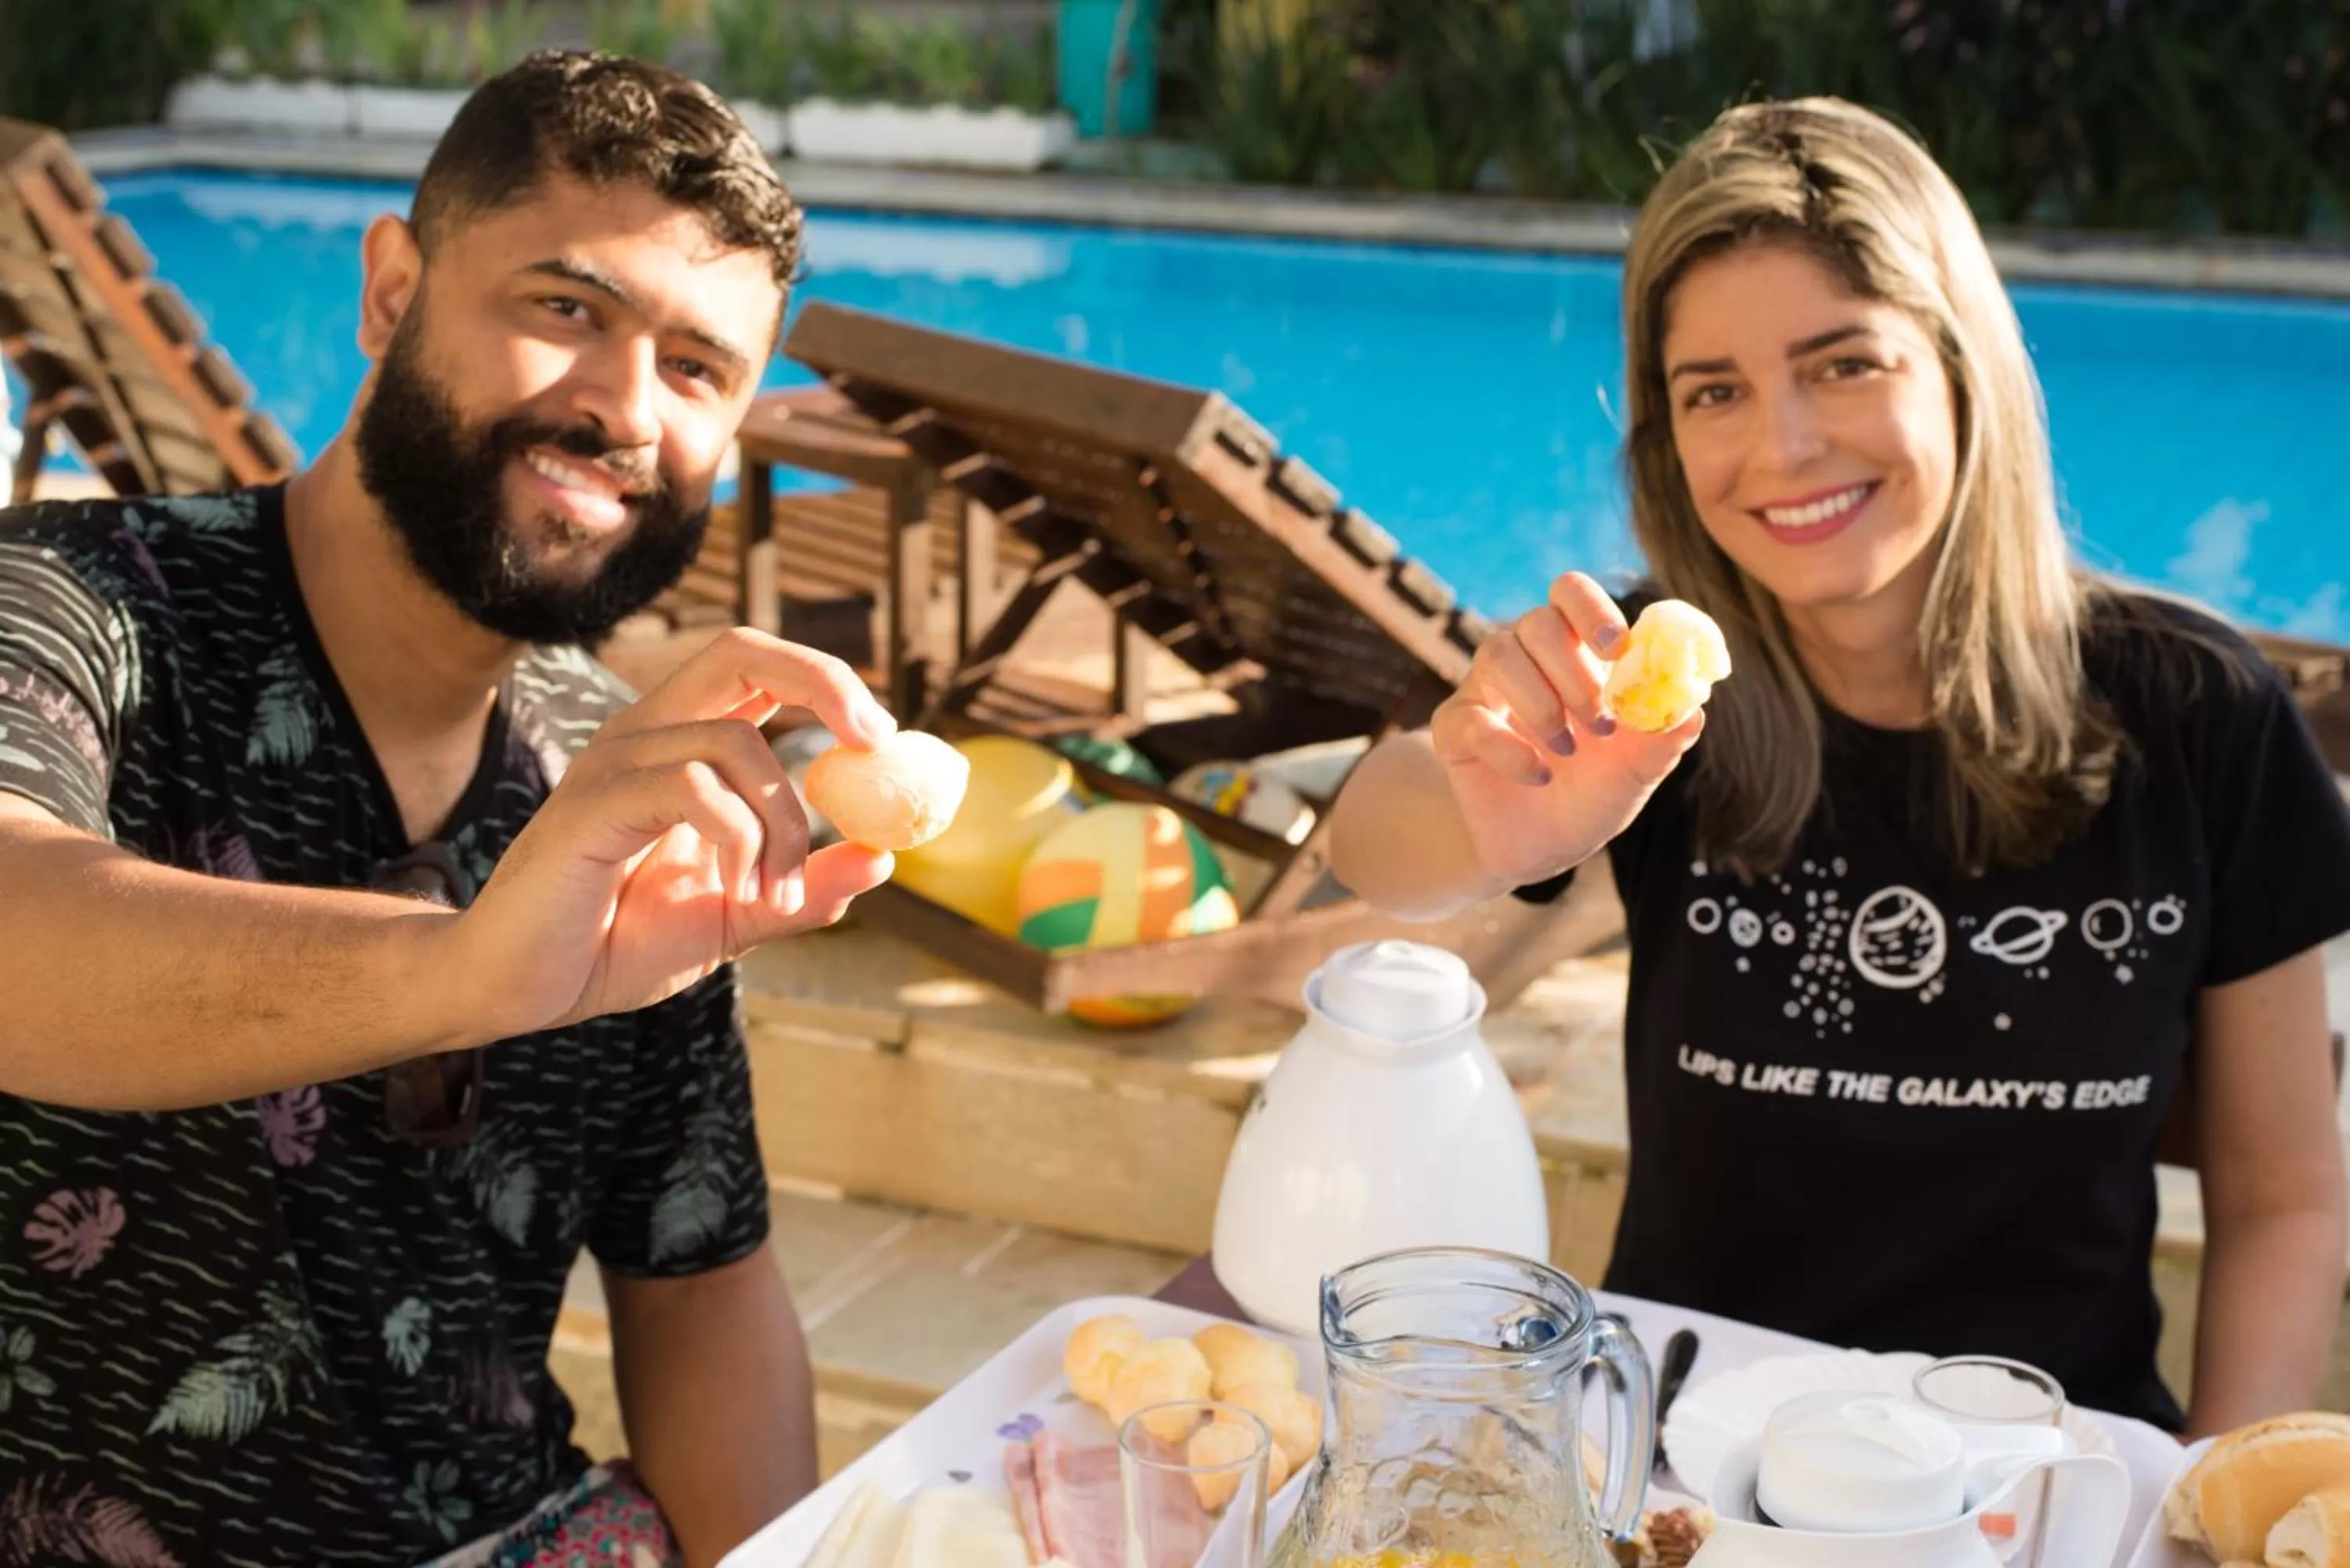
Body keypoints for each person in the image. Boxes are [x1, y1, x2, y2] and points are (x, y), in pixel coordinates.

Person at [1327, 96, 2350, 1438]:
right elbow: (1369, 841)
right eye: (1716, 392)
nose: (1785, 446)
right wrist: (1486, 819)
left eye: (1844, 363)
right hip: (1685, 1471)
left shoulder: (2201, 712)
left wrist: (2205, 1504)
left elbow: (2285, 1196)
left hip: (2042, 1478)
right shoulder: (1653, 702)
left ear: (1959, 365)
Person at [0, 52, 897, 1567]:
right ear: (390, 289)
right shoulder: (71, 604)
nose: (623, 407)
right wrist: (474, 969)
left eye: (698, 369)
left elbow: (701, 1282)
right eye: (567, 310)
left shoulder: (622, 781)